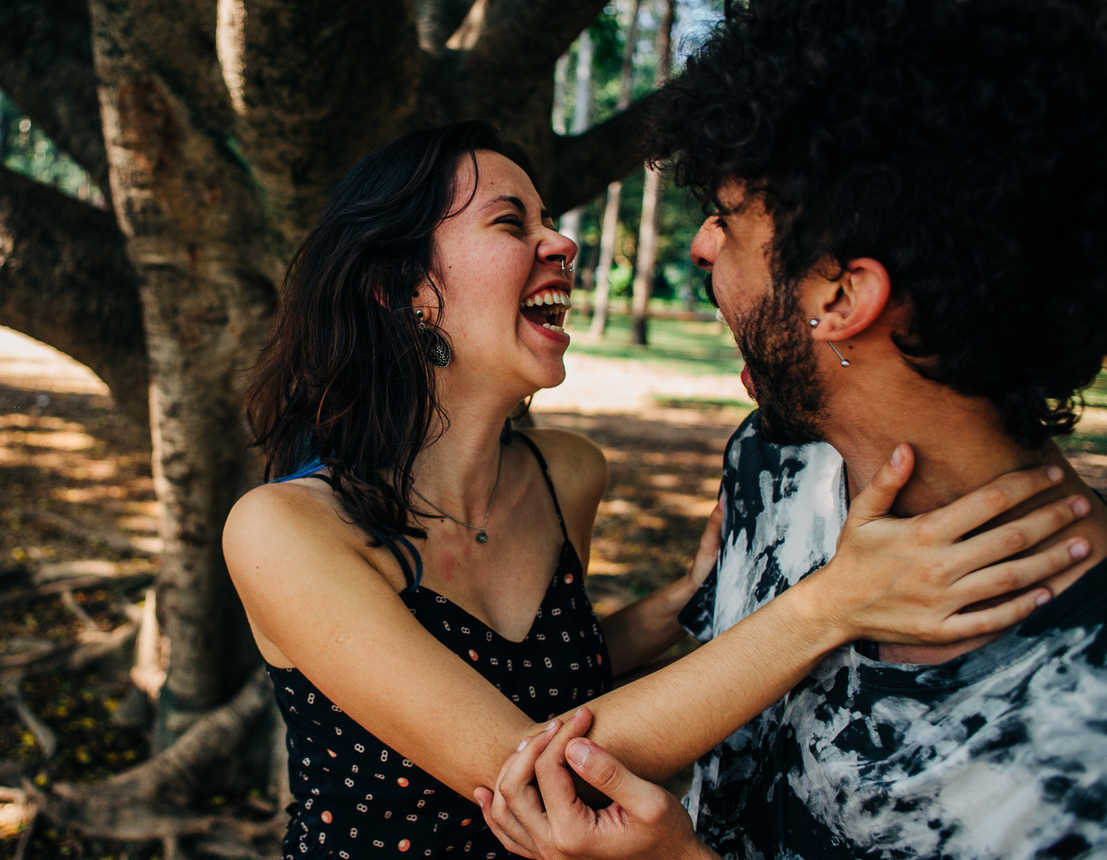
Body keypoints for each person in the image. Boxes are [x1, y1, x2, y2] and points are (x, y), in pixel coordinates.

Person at [223, 120, 1090, 860]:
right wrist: (836, 602)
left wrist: (686, 602)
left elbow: (532, 681)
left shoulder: (567, 474)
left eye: (551, 220)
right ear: (400, 288)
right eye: (511, 222)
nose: (562, 243)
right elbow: (530, 774)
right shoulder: (283, 531)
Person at [478, 1, 1107, 858]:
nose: (702, 247)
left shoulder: (1083, 713)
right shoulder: (772, 466)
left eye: (728, 217)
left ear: (843, 296)